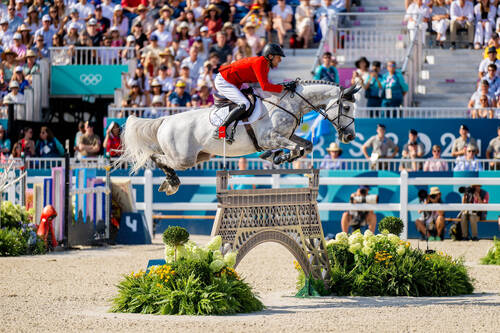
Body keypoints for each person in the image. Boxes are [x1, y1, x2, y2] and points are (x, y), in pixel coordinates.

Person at [212, 43, 295, 142]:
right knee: (245, 104)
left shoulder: (265, 65)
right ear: (270, 56)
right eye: (278, 57)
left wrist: (283, 87)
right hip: (224, 81)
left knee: (255, 98)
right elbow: (265, 86)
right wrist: (284, 87)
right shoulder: (261, 63)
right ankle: (220, 130)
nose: (280, 60)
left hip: (235, 82)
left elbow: (265, 85)